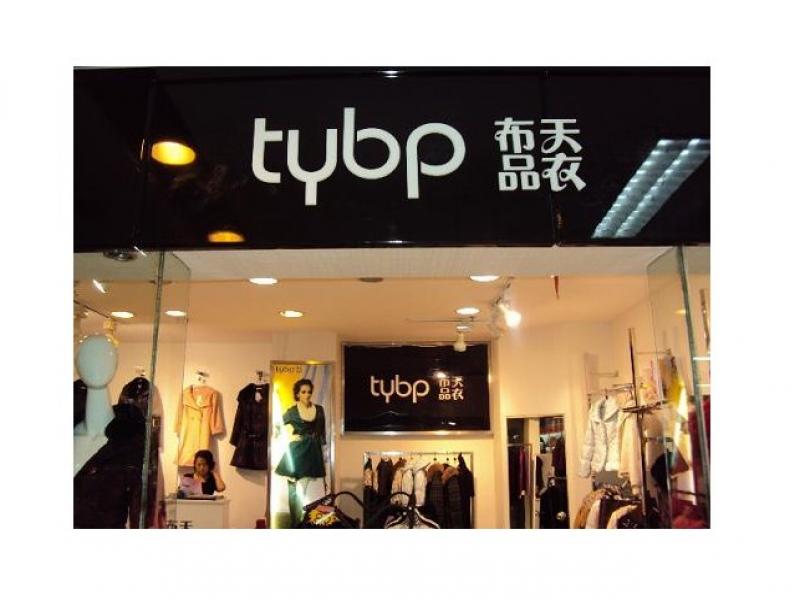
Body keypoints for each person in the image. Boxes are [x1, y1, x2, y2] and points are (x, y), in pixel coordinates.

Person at [275, 378, 326, 526]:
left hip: (311, 452)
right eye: (303, 392)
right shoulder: (292, 411)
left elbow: (322, 432)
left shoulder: (319, 409)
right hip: (296, 452)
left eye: (309, 392)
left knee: (303, 491)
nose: (307, 395)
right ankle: (294, 523)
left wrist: (322, 449)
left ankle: (301, 522)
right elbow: (277, 424)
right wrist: (285, 434)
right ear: (297, 394)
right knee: (293, 491)